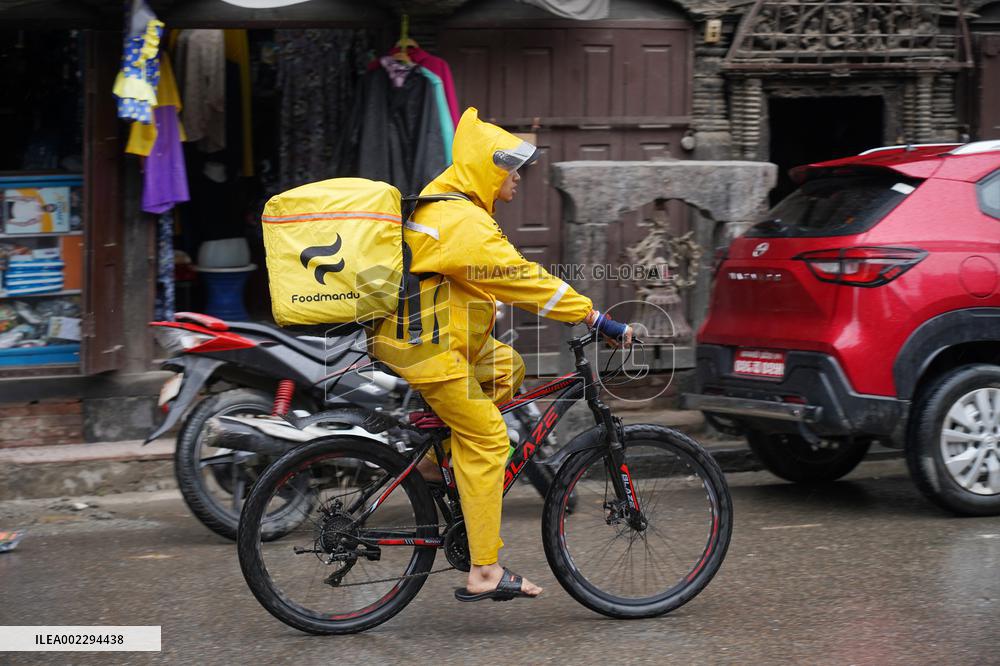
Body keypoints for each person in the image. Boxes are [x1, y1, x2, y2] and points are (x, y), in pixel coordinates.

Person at [370, 107, 632, 602]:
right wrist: (596, 318)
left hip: (438, 336)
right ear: (485, 171)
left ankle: (438, 462)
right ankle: (484, 570)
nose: (516, 177)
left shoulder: (452, 207)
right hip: (430, 347)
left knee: (508, 365)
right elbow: (521, 280)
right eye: (509, 168)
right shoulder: (462, 222)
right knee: (491, 439)